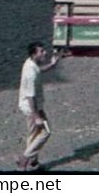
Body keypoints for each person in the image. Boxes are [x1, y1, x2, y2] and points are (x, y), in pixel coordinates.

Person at [16, 41, 59, 171]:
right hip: (32, 108)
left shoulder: (31, 64)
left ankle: (33, 163)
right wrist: (37, 117)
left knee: (33, 134)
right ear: (34, 54)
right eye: (41, 51)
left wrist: (51, 65)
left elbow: (39, 70)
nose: (44, 52)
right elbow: (30, 97)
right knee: (46, 132)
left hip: (32, 106)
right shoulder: (31, 73)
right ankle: (24, 158)